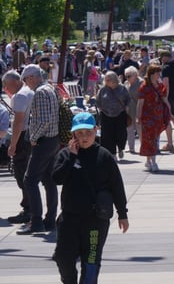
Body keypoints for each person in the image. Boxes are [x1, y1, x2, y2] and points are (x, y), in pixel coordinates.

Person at [52, 112, 129, 284]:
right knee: (63, 258)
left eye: (88, 132)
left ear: (96, 130)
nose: (84, 137)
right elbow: (57, 179)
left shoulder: (105, 156)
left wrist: (122, 214)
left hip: (95, 220)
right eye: (80, 133)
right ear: (73, 134)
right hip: (70, 218)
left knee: (91, 260)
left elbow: (117, 187)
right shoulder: (65, 154)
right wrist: (71, 157)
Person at [17, 64, 60, 235]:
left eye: (27, 80)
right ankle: (50, 220)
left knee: (30, 180)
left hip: (44, 141)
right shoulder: (50, 88)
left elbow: (44, 120)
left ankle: (36, 221)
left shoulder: (41, 92)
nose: (27, 83)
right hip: (53, 140)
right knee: (49, 181)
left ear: (34, 77)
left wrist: (34, 138)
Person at [3, 70, 34, 225]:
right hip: (29, 136)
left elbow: (18, 122)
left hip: (23, 137)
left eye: (6, 85)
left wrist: (13, 145)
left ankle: (28, 209)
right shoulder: (28, 91)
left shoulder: (20, 95)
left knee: (22, 173)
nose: (5, 89)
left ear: (14, 82)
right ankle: (29, 207)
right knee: (26, 173)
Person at [136, 64, 170, 172]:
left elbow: (165, 100)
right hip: (147, 116)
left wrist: (170, 112)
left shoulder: (160, 86)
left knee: (154, 138)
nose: (159, 75)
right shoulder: (144, 87)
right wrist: (138, 117)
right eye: (157, 73)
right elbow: (140, 103)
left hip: (158, 115)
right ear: (151, 74)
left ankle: (150, 160)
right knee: (149, 139)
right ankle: (152, 161)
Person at [97, 71, 131, 159]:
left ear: (114, 80)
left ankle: (120, 148)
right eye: (106, 80)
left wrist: (127, 107)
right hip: (106, 115)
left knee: (120, 134)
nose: (107, 81)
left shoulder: (122, 88)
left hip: (120, 114)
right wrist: (100, 108)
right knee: (107, 135)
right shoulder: (103, 89)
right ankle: (112, 153)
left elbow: (128, 99)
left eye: (109, 80)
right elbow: (98, 100)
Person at [158, 50, 174, 153]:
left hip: (168, 97)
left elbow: (166, 84)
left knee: (167, 120)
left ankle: (170, 144)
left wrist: (165, 98)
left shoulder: (166, 68)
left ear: (164, 57)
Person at [123, 66, 142, 154]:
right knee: (129, 128)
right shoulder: (126, 83)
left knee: (139, 128)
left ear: (135, 75)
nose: (127, 78)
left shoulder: (141, 83)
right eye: (126, 76)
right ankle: (131, 147)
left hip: (139, 108)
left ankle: (143, 147)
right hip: (128, 109)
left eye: (129, 76)